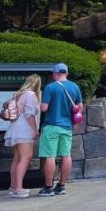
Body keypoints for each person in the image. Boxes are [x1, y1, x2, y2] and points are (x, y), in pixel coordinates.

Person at [37, 62, 82, 197]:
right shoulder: (75, 87)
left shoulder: (50, 87)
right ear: (66, 73)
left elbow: (44, 108)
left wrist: (37, 104)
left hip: (51, 125)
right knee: (66, 155)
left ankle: (48, 187)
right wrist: (74, 121)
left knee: (50, 156)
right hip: (67, 126)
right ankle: (61, 186)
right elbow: (79, 106)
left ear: (55, 74)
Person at [3, 74, 42, 198]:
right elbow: (29, 114)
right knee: (25, 158)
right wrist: (35, 130)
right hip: (25, 130)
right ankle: (18, 189)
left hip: (14, 128)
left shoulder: (18, 95)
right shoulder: (31, 96)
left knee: (17, 158)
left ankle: (13, 187)